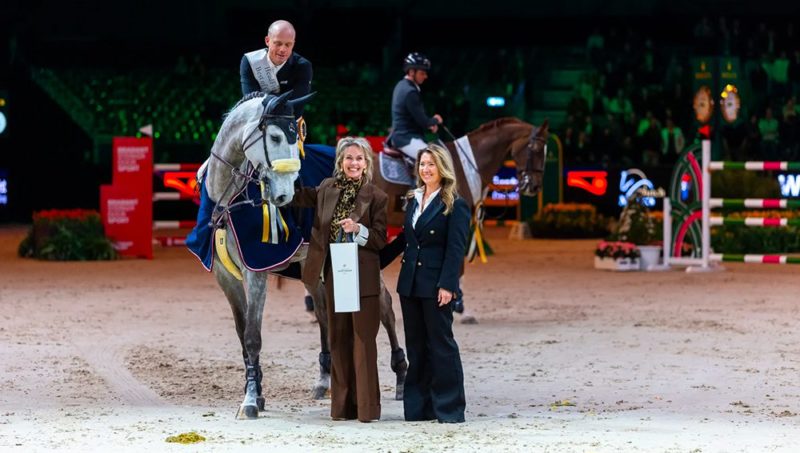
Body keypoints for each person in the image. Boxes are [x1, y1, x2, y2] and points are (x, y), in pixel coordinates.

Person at [292, 137, 387, 422]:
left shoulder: (377, 196)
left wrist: (359, 229)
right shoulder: (325, 188)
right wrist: (284, 166)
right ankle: (342, 407)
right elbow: (294, 195)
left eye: (359, 158)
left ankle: (367, 409)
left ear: (366, 163)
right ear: (340, 163)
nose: (353, 163)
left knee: (363, 340)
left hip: (364, 277)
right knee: (338, 339)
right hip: (334, 274)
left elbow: (381, 239)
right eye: (349, 158)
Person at [382, 143, 469, 423]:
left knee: (441, 346)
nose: (426, 169)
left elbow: (456, 249)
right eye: (422, 164)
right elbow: (405, 241)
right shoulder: (414, 198)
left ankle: (450, 409)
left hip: (436, 287)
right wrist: (373, 258)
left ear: (442, 168)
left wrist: (448, 285)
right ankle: (421, 408)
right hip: (410, 285)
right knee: (416, 347)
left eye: (431, 164)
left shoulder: (455, 203)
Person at [240, 19, 312, 119]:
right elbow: (250, 101)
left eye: (288, 44)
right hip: (257, 119)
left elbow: (297, 106)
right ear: (267, 41)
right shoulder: (250, 61)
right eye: (278, 43)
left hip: (288, 121)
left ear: (293, 44)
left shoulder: (303, 66)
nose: (283, 49)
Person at [390, 52, 443, 159]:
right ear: (411, 72)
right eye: (422, 73)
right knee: (432, 160)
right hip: (407, 139)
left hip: (404, 136)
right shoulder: (410, 92)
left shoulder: (401, 84)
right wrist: (436, 120)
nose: (425, 76)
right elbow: (424, 122)